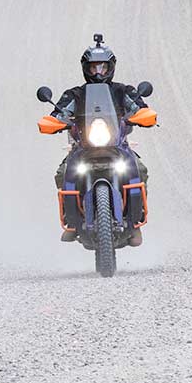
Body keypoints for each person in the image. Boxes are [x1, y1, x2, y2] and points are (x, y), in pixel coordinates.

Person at [49, 35, 150, 245]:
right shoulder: (75, 94)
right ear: (85, 68)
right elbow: (57, 114)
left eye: (103, 67)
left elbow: (141, 108)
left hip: (117, 145)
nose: (98, 72)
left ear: (111, 67)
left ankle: (135, 224)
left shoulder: (123, 90)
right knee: (62, 173)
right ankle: (72, 221)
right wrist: (52, 121)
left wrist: (144, 115)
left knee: (139, 170)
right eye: (94, 67)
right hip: (83, 147)